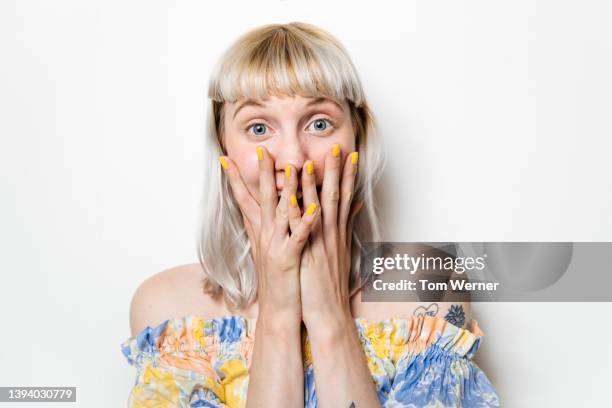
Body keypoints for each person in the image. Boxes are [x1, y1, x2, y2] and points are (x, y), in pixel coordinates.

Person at [121, 22, 500, 407]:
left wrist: (329, 315)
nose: (292, 160)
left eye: (319, 124)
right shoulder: (168, 311)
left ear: (359, 137)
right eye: (258, 128)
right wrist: (279, 313)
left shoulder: (424, 285)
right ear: (223, 149)